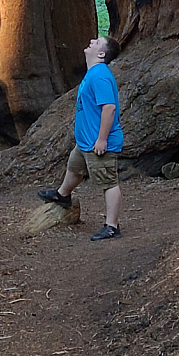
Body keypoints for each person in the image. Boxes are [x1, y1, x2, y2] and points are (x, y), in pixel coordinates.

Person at [38, 35, 123, 240]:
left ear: (101, 54)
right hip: (86, 142)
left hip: (99, 143)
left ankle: (112, 226)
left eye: (97, 42)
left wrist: (102, 140)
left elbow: (109, 108)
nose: (92, 41)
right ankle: (63, 195)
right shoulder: (93, 73)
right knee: (74, 167)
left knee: (108, 183)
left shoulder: (100, 75)